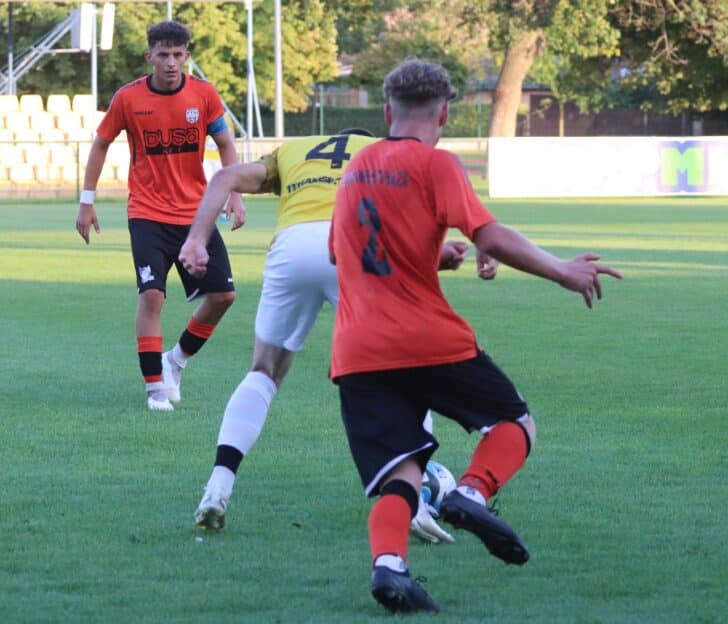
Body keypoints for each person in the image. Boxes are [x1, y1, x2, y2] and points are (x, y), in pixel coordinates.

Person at [329, 58, 621, 614]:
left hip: (357, 349)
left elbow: (345, 255)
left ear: (387, 111)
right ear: (444, 114)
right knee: (515, 423)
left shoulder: (357, 166)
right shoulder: (436, 163)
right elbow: (490, 233)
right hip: (426, 339)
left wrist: (432, 256)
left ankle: (389, 566)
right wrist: (562, 271)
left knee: (400, 472)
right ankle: (470, 493)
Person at [178, 128, 494, 544]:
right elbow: (423, 203)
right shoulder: (380, 153)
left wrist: (196, 240)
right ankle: (415, 499)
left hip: (293, 247)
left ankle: (218, 486)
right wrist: (466, 248)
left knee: (265, 370)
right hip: (351, 244)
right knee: (404, 371)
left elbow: (224, 177)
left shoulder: (293, 151)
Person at [75, 21, 245, 412]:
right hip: (147, 213)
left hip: (197, 216)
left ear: (187, 56)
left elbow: (225, 144)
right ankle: (155, 388)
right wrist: (86, 201)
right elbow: (101, 144)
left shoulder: (204, 95)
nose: (171, 62)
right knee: (152, 295)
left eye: (178, 54)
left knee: (224, 296)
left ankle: (176, 361)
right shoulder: (128, 98)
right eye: (163, 54)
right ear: (149, 55)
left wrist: (235, 193)